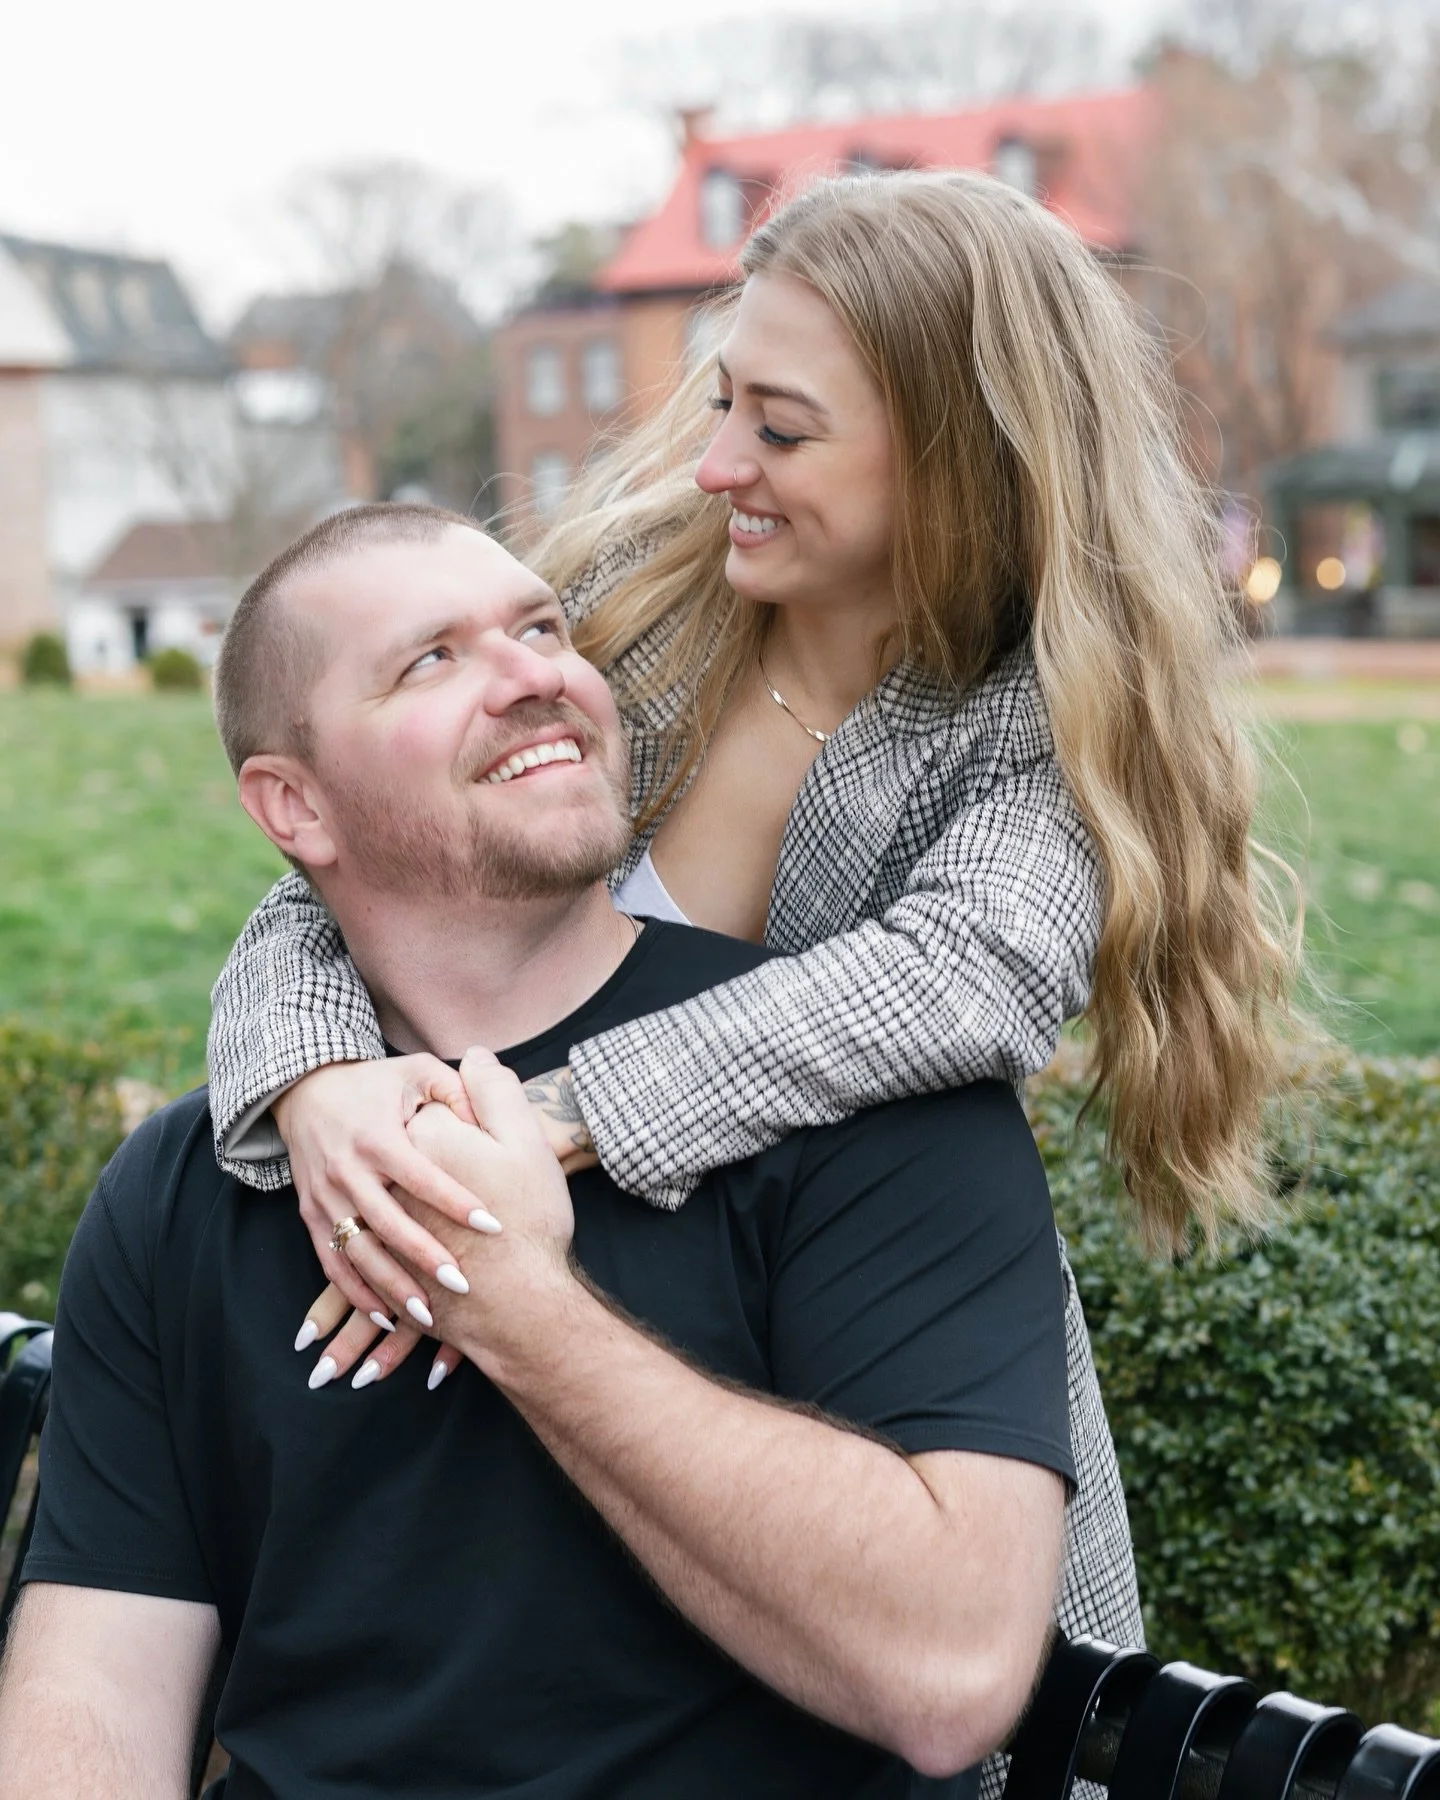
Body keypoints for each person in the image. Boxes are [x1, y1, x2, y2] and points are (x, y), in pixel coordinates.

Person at [206, 171, 1296, 1745]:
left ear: (963, 458)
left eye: (781, 431)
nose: (718, 463)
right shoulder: (638, 612)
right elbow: (338, 855)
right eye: (723, 403)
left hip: (852, 1401)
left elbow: (965, 976)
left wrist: (537, 1125)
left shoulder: (1035, 734)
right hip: (522, 1377)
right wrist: (319, 1088)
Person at [0, 513, 1072, 1800]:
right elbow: (96, 1693)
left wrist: (524, 1315)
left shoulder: (868, 1104)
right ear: (295, 804)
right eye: (432, 659)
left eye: (543, 628)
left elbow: (951, 1676)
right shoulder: (194, 1183)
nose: (534, 674)